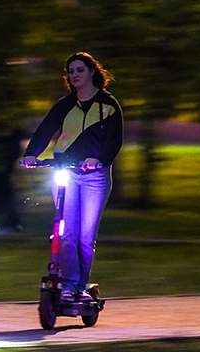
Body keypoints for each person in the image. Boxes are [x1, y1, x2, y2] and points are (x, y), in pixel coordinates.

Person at [21, 52, 123, 301]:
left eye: (79, 70)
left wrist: (100, 160)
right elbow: (45, 130)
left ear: (92, 71)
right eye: (70, 71)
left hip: (95, 176)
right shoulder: (65, 105)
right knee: (66, 232)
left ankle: (80, 286)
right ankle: (68, 286)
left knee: (85, 237)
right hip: (64, 170)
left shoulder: (108, 105)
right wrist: (31, 154)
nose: (74, 75)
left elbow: (115, 140)